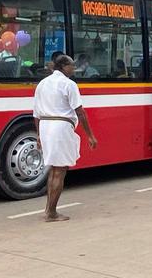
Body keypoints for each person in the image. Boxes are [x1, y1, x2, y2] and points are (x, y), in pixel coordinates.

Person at [33, 54, 98, 222]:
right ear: (63, 66)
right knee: (60, 170)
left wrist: (39, 135)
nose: (73, 68)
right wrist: (90, 135)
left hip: (45, 126)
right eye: (71, 65)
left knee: (54, 169)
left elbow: (36, 113)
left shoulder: (42, 83)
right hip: (60, 127)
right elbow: (80, 112)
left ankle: (49, 209)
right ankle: (52, 212)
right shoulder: (69, 84)